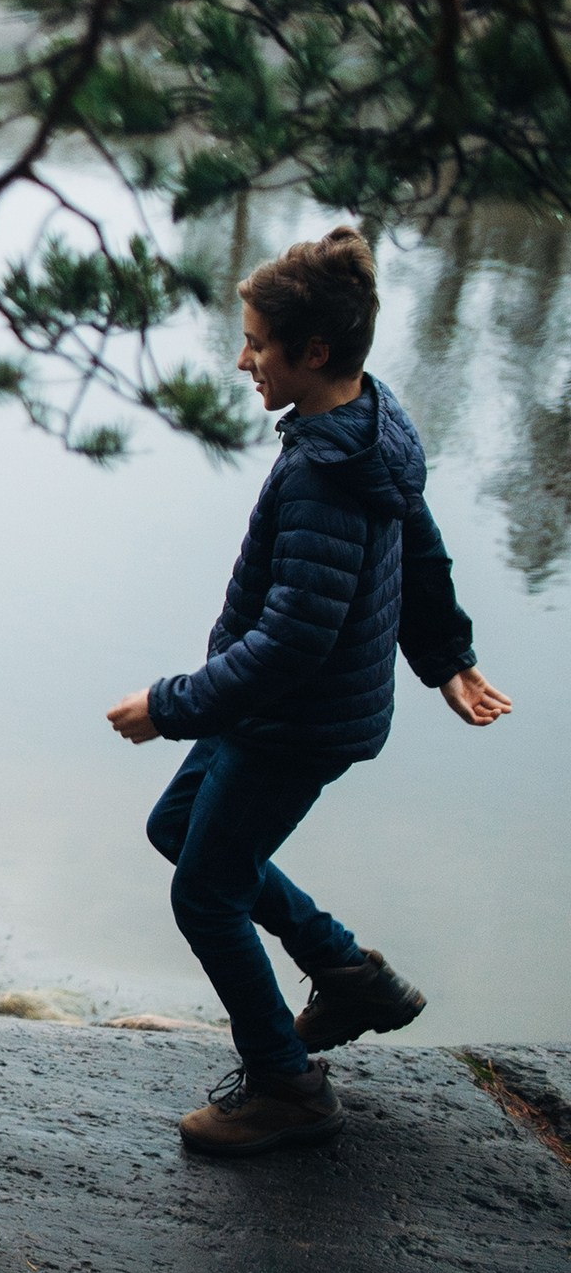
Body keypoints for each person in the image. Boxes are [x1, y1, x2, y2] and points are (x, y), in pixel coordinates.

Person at [107, 228, 511, 1158]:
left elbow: (293, 638)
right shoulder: (372, 423)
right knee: (178, 829)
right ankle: (345, 968)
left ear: (313, 351)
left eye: (256, 341)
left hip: (293, 720)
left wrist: (168, 706)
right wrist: (448, 654)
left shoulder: (326, 474)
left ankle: (287, 1085)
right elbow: (418, 547)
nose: (241, 357)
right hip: (290, 710)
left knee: (205, 892)